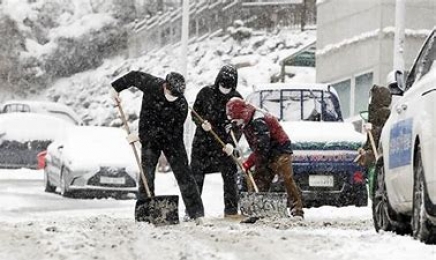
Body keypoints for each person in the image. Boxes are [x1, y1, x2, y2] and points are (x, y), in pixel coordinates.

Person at [111, 71, 205, 224]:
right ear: (165, 87)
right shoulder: (152, 84)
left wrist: (141, 137)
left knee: (184, 174)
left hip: (172, 140)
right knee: (147, 174)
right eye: (171, 94)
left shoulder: (181, 105)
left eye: (176, 96)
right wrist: (116, 89)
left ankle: (196, 213)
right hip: (149, 135)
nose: (173, 98)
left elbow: (169, 132)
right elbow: (134, 76)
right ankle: (144, 214)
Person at [225, 97, 304, 219]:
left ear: (241, 114)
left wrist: (248, 164)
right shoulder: (245, 118)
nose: (235, 123)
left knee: (286, 178)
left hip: (280, 149)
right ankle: (257, 209)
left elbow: (261, 148)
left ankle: (297, 210)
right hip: (264, 151)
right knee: (259, 179)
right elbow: (240, 128)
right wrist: (232, 129)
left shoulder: (258, 121)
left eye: (236, 120)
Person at [190, 65, 243, 219]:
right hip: (202, 143)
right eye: (222, 85)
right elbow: (195, 113)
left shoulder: (237, 98)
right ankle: (194, 213)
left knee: (230, 177)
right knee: (196, 177)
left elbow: (238, 124)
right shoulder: (205, 93)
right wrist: (201, 123)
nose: (224, 88)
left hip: (224, 145)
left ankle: (231, 212)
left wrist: (231, 143)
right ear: (217, 81)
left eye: (228, 86)